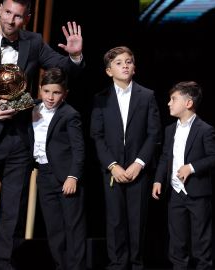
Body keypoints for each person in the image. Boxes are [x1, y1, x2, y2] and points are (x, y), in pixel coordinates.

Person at [0, 0, 85, 269]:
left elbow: (62, 72)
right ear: (0, 10)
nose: (11, 20)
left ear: (26, 18)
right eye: (7, 12)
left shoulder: (34, 42)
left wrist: (74, 56)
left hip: (19, 141)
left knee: (12, 212)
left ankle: (5, 265)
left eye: (18, 16)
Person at [90, 46, 161, 270]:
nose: (125, 65)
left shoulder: (147, 95)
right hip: (113, 171)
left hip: (137, 169)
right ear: (109, 71)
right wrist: (112, 165)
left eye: (128, 61)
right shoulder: (100, 98)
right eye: (119, 63)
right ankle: (117, 264)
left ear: (135, 67)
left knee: (137, 221)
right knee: (115, 221)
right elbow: (97, 135)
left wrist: (139, 163)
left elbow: (154, 133)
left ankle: (136, 264)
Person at [152, 81, 215, 270]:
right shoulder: (170, 130)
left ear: (188, 103)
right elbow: (166, 157)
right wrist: (158, 180)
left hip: (197, 193)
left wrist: (191, 167)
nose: (168, 103)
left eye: (173, 99)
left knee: (201, 242)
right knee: (177, 242)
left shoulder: (205, 129)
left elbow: (214, 157)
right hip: (175, 193)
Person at [29, 67, 86, 270]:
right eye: (46, 92)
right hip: (43, 175)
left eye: (56, 92)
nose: (51, 97)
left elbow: (79, 149)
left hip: (65, 177)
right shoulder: (32, 106)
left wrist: (73, 176)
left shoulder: (70, 114)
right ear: (40, 89)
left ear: (65, 94)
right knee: (54, 229)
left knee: (73, 226)